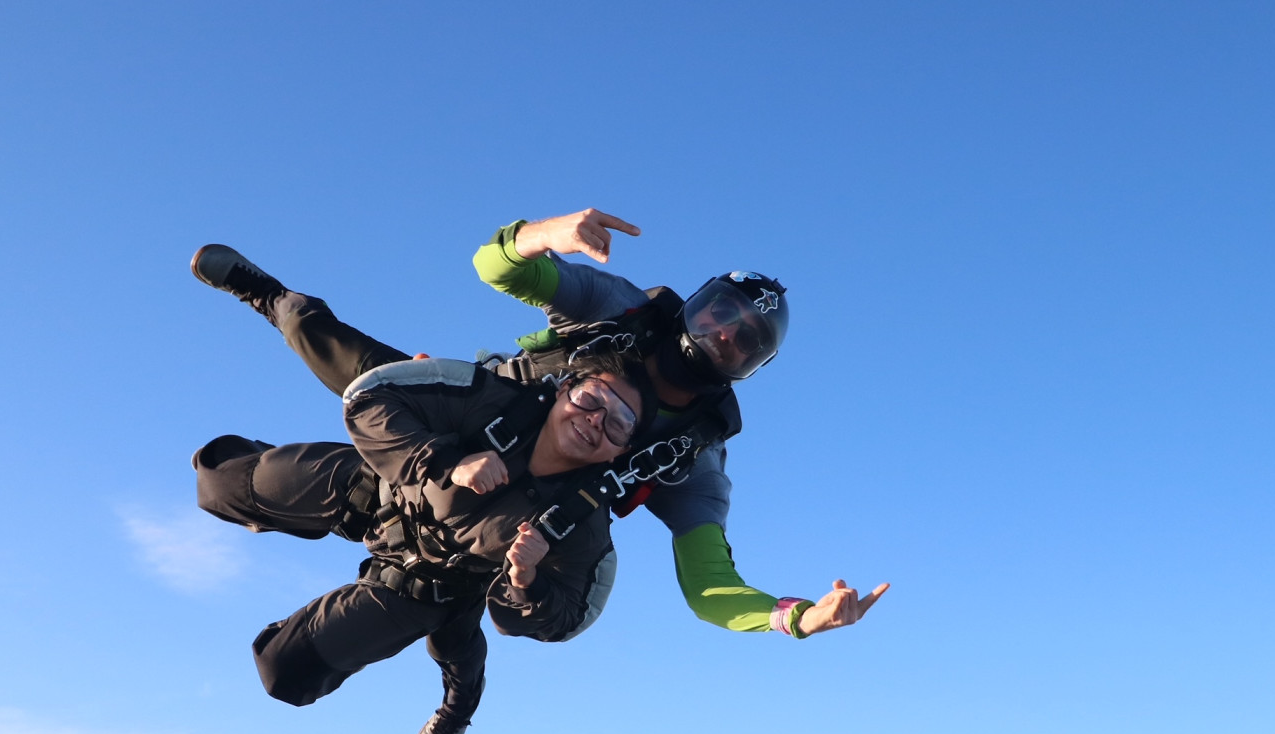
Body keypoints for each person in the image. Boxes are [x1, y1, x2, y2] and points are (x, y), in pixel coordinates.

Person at [190, 208, 889, 643]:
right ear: (695, 305)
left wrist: (797, 618)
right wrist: (541, 237)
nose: (720, 337)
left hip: (516, 514)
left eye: (742, 341)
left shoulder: (693, 454)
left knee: (360, 635)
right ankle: (270, 296)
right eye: (717, 315)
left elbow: (709, 588)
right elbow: (492, 266)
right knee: (325, 351)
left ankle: (453, 635)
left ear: (749, 369)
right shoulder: (620, 311)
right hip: (475, 417)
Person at [195, 352, 651, 734]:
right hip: (380, 493)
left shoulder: (580, 522)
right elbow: (368, 397)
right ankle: (282, 497)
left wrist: (527, 579)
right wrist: (444, 459)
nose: (595, 421)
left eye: (618, 423)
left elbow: (567, 617)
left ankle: (461, 701)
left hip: (432, 583)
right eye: (592, 398)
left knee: (285, 672)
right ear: (564, 388)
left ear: (622, 450)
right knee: (217, 486)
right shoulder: (495, 398)